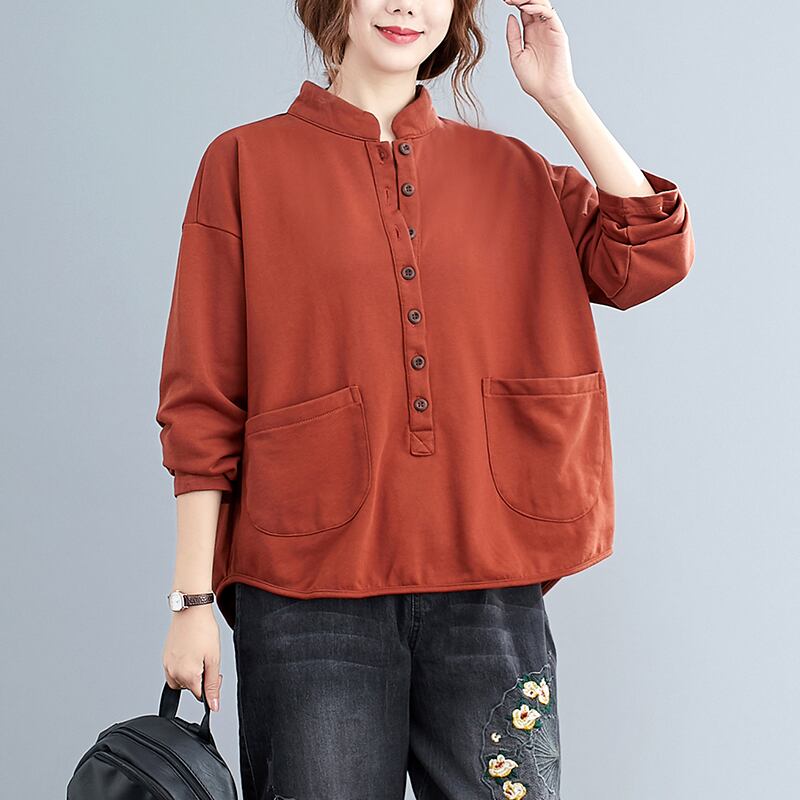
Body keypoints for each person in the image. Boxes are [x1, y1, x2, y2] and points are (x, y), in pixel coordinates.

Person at [157, 1, 695, 798]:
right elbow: (202, 396)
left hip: (490, 583)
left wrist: (560, 97)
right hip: (309, 595)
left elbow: (649, 254)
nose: (406, 5)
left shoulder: (513, 170)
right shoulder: (243, 162)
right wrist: (192, 600)